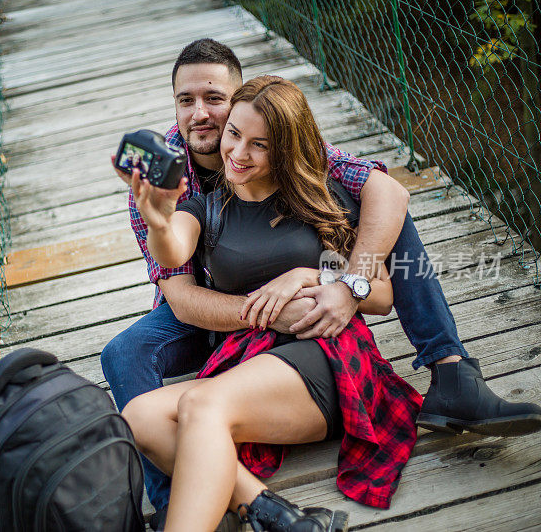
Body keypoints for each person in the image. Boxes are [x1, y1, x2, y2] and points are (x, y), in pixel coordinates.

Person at [102, 38, 541, 526]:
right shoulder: (173, 182)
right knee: (126, 366)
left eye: (215, 100)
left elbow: (388, 198)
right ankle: (201, 502)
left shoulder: (294, 155)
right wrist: (161, 219)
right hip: (218, 314)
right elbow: (179, 287)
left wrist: (335, 283)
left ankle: (451, 368)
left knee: (386, 215)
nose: (202, 115)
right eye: (186, 100)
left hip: (314, 338)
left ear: (241, 99)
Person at [122, 73, 422, 532]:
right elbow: (174, 252)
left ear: (283, 149)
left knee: (202, 406)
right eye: (234, 135)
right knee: (139, 416)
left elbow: (380, 294)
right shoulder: (205, 208)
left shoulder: (317, 198)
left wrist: (309, 275)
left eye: (258, 145)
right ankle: (275, 515)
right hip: (250, 361)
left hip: (323, 355)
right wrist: (157, 219)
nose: (238, 154)